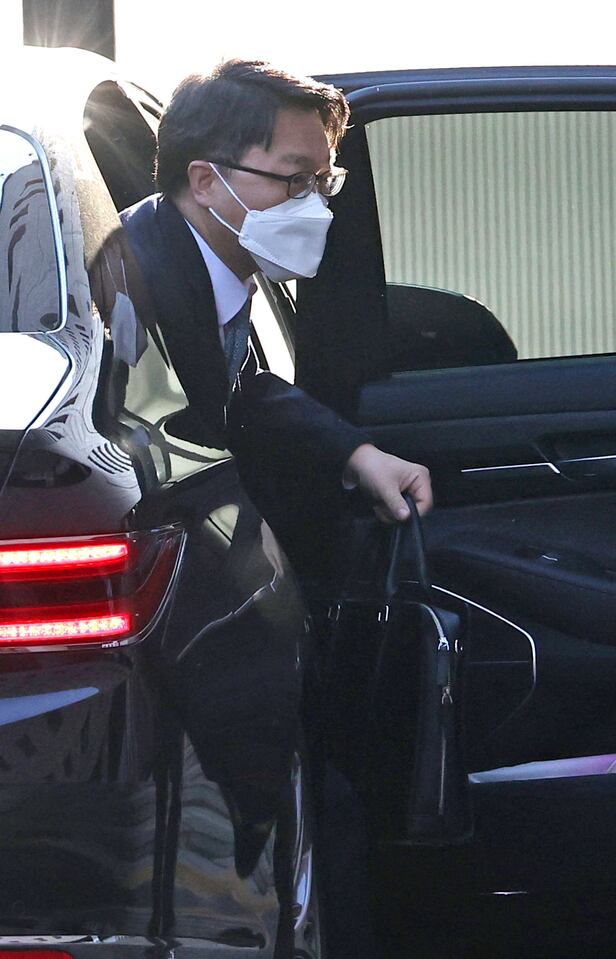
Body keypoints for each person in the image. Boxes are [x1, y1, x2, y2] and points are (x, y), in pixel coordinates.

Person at [120, 59, 433, 959]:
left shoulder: (214, 260)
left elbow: (247, 389)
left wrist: (355, 451)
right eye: (293, 180)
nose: (315, 205)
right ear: (206, 179)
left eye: (323, 182)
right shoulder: (132, 288)